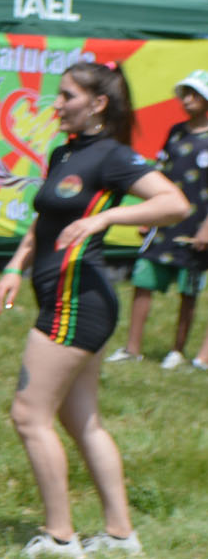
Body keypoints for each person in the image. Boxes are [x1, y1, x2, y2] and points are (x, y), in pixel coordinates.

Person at [0, 61, 187, 559]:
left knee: (29, 415)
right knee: (83, 421)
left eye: (67, 96)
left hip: (77, 300)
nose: (56, 104)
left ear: (98, 104)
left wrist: (107, 218)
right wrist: (14, 267)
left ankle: (59, 538)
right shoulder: (65, 152)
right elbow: (46, 223)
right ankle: (120, 537)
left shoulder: (112, 156)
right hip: (64, 296)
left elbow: (175, 204)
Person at [110, 70, 208, 369]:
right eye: (184, 94)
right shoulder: (176, 132)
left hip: (198, 225)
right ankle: (132, 348)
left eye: (194, 94)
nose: (187, 100)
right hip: (164, 223)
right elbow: (160, 175)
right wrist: (148, 214)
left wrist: (206, 228)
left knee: (188, 290)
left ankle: (177, 351)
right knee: (143, 280)